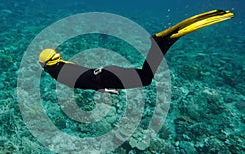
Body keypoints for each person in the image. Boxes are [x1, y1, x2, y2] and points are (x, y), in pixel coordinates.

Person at [39, 10, 234, 94]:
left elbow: (82, 81)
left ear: (46, 64)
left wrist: (99, 87)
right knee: (144, 76)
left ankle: (161, 43)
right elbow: (82, 75)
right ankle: (161, 41)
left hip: (106, 78)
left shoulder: (57, 73)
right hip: (105, 74)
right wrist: (99, 85)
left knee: (146, 79)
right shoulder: (61, 66)